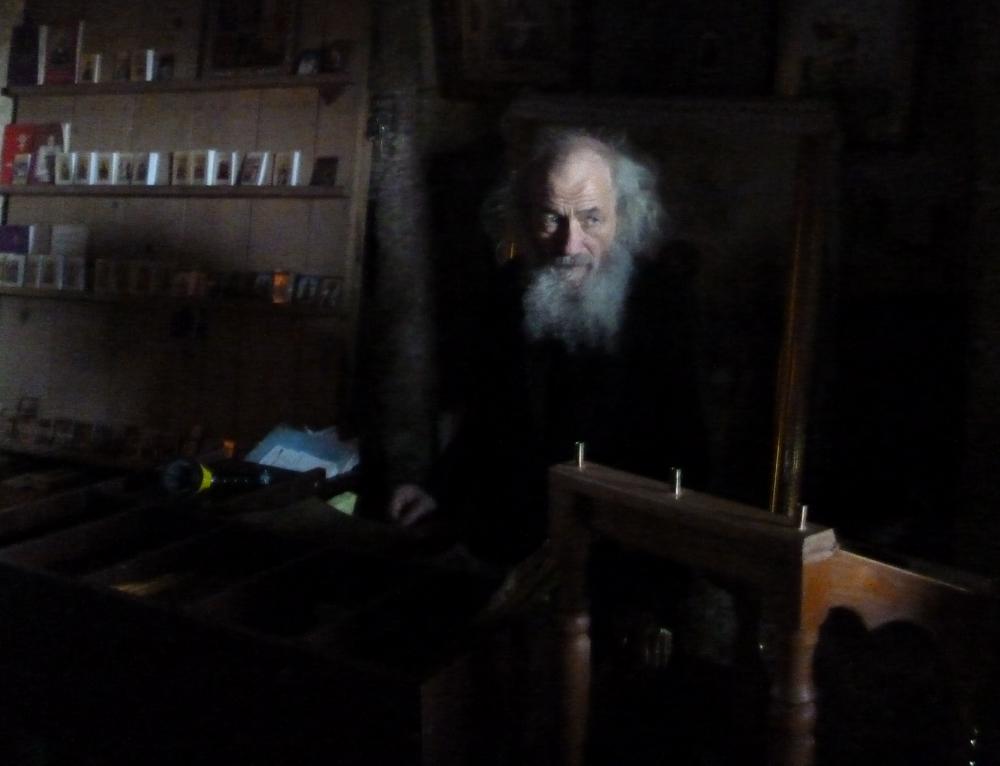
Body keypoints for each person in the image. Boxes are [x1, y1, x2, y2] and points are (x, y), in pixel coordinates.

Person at [385, 128, 707, 563]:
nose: (569, 244)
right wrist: (437, 490)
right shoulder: (506, 290)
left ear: (622, 217)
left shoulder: (663, 303)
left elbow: (687, 443)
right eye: (552, 218)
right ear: (525, 217)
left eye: (591, 219)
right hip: (516, 532)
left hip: (623, 540)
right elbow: (487, 415)